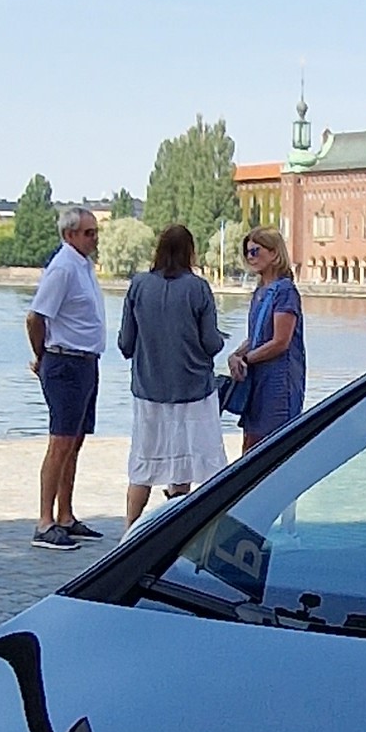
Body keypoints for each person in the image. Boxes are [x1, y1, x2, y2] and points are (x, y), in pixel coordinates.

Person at [119, 225, 226, 526]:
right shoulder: (198, 288)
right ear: (190, 252)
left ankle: (129, 531)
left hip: (149, 389)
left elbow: (126, 344)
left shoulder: (138, 286)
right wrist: (218, 340)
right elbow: (210, 343)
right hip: (194, 390)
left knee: (143, 463)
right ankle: (178, 529)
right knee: (190, 463)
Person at [26, 204, 105, 541]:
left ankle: (66, 514)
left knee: (75, 442)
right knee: (60, 443)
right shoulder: (62, 268)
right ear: (70, 234)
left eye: (95, 232)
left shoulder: (83, 266)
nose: (94, 238)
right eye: (89, 233)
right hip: (65, 362)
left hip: (86, 362)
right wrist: (42, 356)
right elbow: (35, 317)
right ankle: (45, 521)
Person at [226, 224, 306, 446]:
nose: (250, 257)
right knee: (250, 443)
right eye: (247, 252)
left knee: (272, 446)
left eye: (255, 251)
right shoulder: (261, 291)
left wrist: (246, 359)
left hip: (278, 384)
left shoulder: (285, 291)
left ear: (273, 253)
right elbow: (257, 336)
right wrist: (236, 355)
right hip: (257, 382)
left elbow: (280, 342)